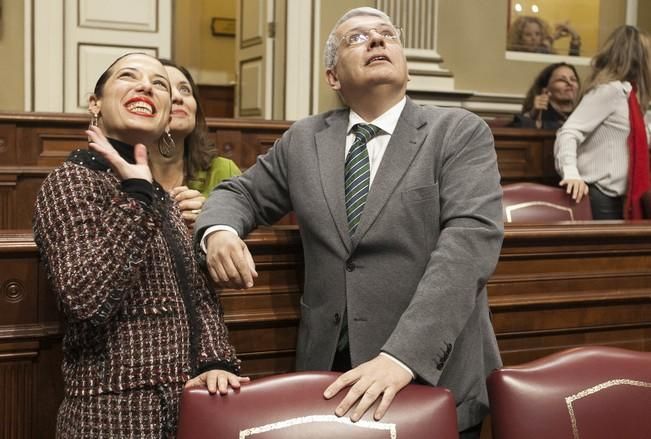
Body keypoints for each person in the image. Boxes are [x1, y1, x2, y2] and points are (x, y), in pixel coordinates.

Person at [195, 7, 503, 438]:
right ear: (332, 76)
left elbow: (469, 246)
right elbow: (237, 193)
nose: (377, 41)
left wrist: (403, 357)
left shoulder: (458, 132)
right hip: (332, 375)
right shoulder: (304, 139)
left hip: (433, 372)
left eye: (386, 35)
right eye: (357, 38)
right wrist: (220, 231)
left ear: (405, 65)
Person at [32, 53, 247, 438]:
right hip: (113, 413)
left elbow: (200, 299)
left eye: (159, 83)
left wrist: (218, 360)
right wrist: (136, 192)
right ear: (94, 104)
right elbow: (87, 298)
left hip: (192, 404)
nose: (147, 85)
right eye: (128, 76)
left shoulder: (160, 195)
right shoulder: (70, 182)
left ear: (167, 118)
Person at [554, 25, 651, 219]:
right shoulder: (611, 91)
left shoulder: (635, 99)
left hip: (626, 200)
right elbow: (568, 132)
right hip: (600, 198)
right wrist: (571, 173)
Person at [149, 59, 241, 230]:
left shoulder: (222, 170)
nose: (177, 97)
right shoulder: (111, 172)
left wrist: (214, 216)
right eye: (164, 87)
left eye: (185, 89)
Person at [512, 62, 580, 130]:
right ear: (545, 89)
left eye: (573, 79)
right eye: (561, 80)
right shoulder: (538, 114)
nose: (570, 83)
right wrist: (531, 116)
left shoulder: (583, 112)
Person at [507, 15, 581, 56]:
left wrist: (575, 38)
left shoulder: (548, 53)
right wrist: (552, 38)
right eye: (528, 35)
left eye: (538, 34)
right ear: (519, 37)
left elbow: (570, 66)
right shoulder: (513, 55)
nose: (534, 38)